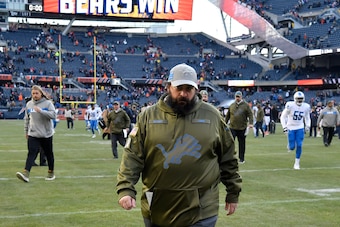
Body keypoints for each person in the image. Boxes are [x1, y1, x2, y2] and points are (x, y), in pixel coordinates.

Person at [116, 63, 242, 227]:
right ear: (168, 87)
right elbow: (132, 156)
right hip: (157, 206)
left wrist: (233, 192)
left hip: (202, 208)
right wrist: (126, 188)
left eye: (188, 89)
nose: (183, 93)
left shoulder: (212, 116)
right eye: (179, 88)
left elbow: (228, 157)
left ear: (196, 90)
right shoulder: (147, 116)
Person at [16, 85, 57, 182]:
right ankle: (26, 174)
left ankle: (51, 173)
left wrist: (41, 111)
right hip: (33, 134)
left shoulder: (47, 103)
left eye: (36, 93)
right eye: (33, 93)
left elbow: (53, 115)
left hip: (46, 134)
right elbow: (27, 119)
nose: (35, 95)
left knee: (49, 154)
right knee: (31, 153)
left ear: (41, 93)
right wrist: (26, 131)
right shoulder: (29, 104)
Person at [280, 91, 311, 170]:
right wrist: (284, 127)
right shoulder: (290, 105)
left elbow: (307, 117)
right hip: (290, 127)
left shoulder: (306, 106)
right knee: (292, 147)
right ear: (295, 99)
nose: (299, 100)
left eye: (301, 99)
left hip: (300, 127)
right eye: (298, 99)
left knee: (299, 145)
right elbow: (283, 117)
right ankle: (290, 145)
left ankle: (297, 163)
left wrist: (308, 125)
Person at [225, 90, 253, 164]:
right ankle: (230, 157)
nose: (237, 98)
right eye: (236, 97)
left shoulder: (246, 105)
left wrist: (251, 123)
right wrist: (224, 123)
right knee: (230, 143)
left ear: (241, 97)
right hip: (232, 127)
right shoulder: (232, 105)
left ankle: (241, 158)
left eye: (239, 97)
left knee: (242, 144)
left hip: (242, 127)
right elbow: (228, 115)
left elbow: (250, 114)